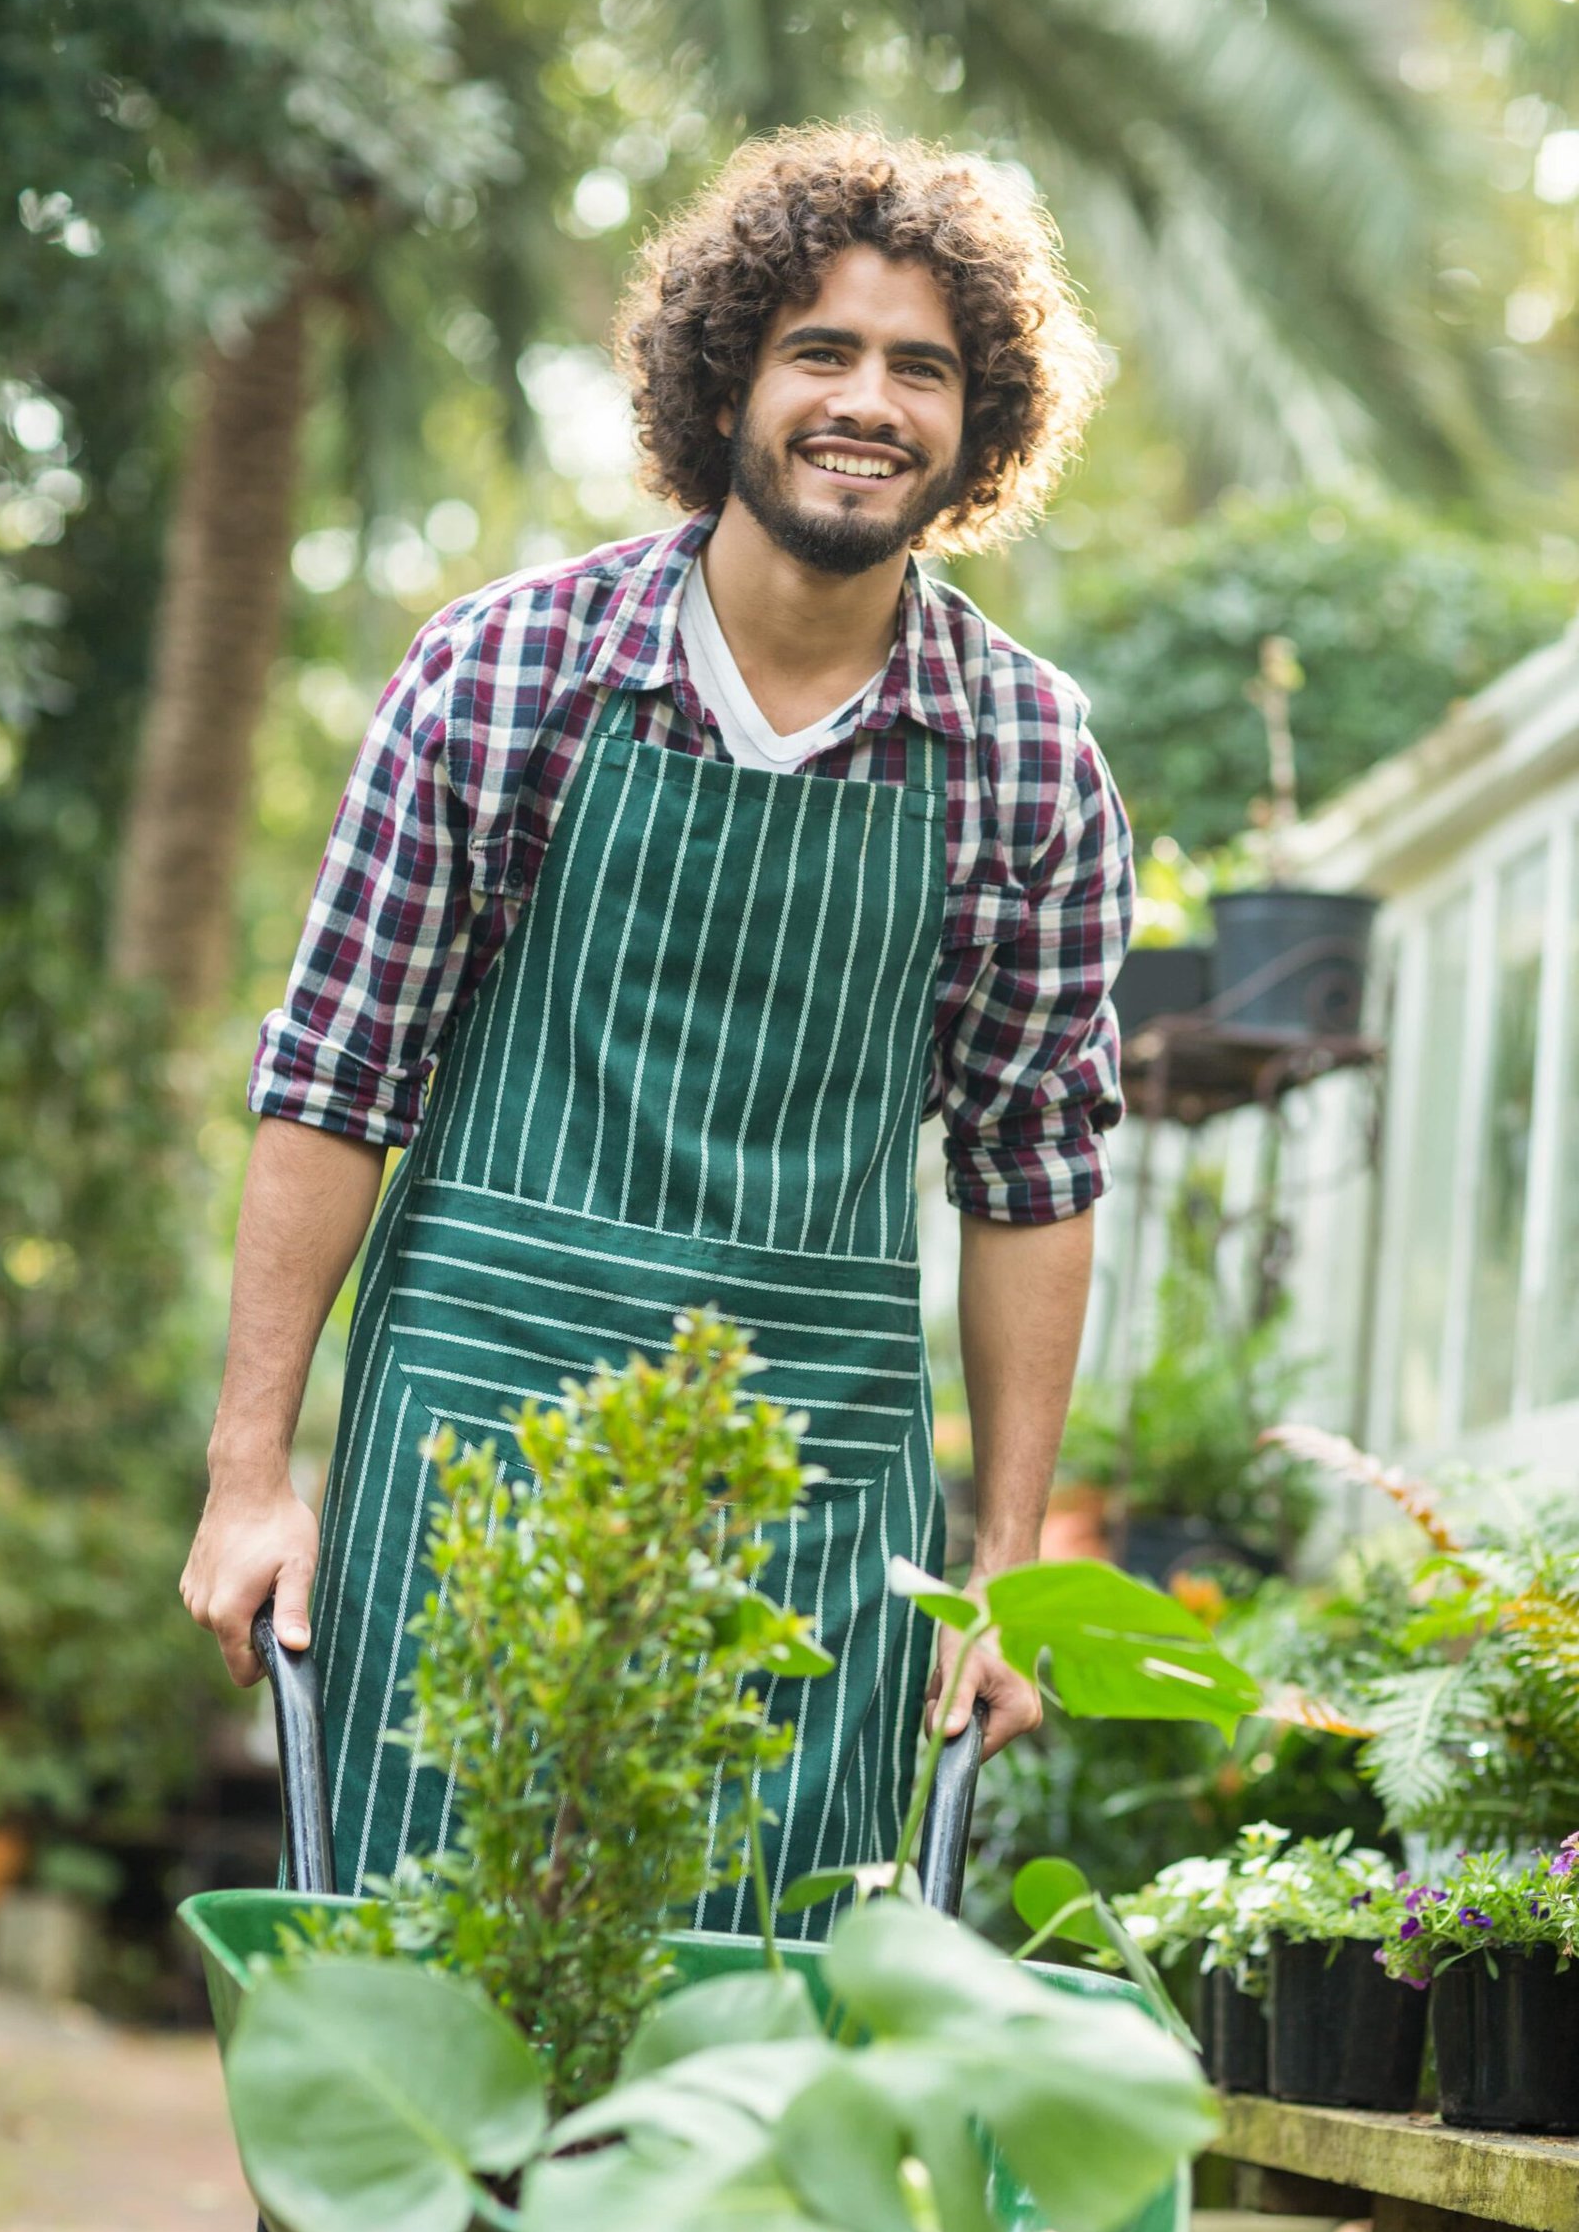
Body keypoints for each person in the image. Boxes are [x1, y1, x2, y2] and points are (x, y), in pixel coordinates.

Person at [182, 124, 1132, 1926]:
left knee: (748, 2063)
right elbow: (334, 1077)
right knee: (411, 2002)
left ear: (979, 422)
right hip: (467, 1448)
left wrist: (1003, 1570)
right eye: (821, 352)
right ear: (729, 384)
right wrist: (251, 1478)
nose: (868, 403)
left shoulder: (1028, 759)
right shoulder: (511, 673)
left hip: (817, 1503)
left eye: (921, 368)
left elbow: (1033, 1174)